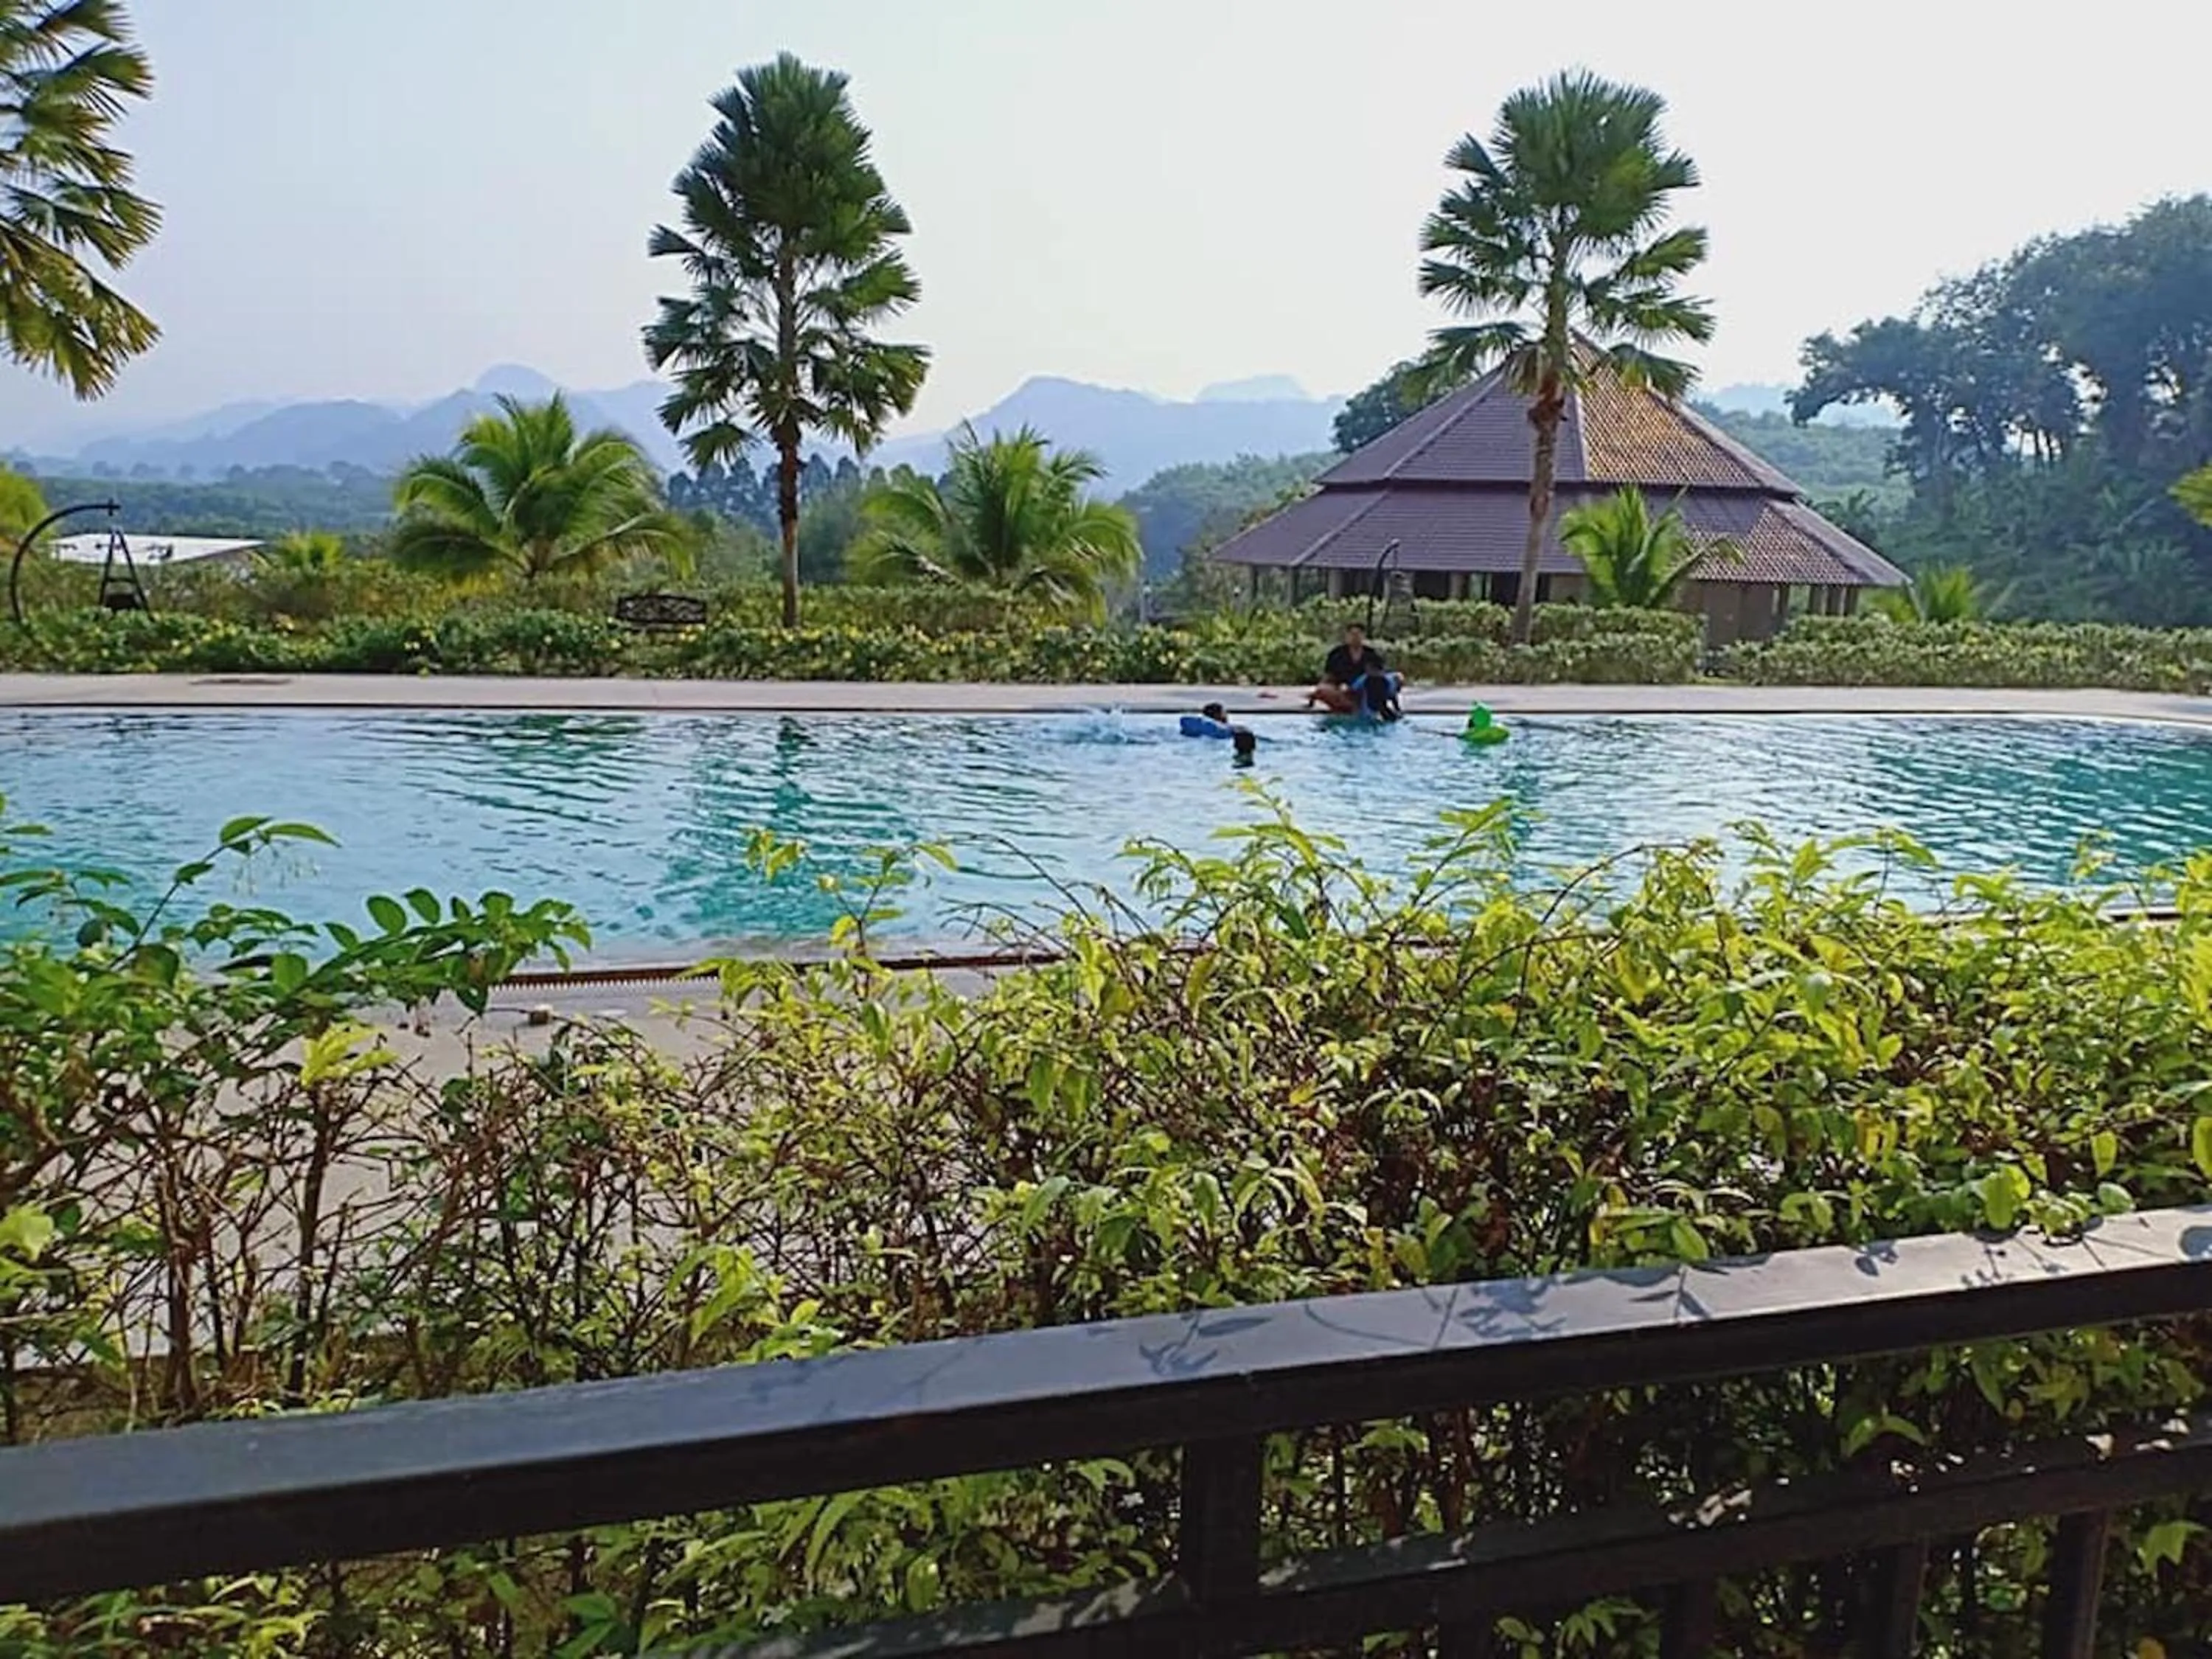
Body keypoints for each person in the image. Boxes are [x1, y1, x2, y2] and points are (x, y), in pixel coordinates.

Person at [1307, 625, 1402, 720]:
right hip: (1349, 687)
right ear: (1347, 636)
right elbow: (1328, 675)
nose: (1355, 637)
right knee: (1325, 690)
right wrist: (1314, 698)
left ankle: (1376, 709)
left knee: (1391, 678)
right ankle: (1354, 707)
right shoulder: (1337, 654)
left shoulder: (1371, 654)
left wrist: (1396, 706)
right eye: (1352, 634)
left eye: (1358, 634)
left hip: (1370, 684)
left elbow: (1381, 676)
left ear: (1363, 636)